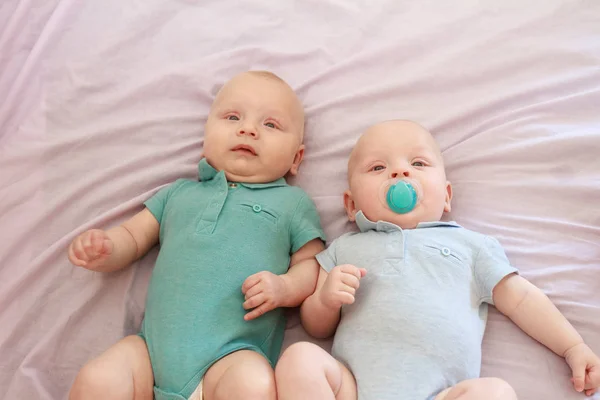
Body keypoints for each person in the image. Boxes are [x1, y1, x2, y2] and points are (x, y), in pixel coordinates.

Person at [275, 120, 600, 400]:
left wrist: (572, 346)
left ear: (446, 196)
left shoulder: (471, 246)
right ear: (350, 205)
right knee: (299, 358)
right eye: (378, 167)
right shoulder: (345, 248)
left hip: (441, 393)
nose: (400, 171)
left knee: (496, 392)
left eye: (418, 164)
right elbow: (315, 327)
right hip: (354, 388)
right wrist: (327, 300)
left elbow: (523, 299)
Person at [68, 71, 325, 400]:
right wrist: (105, 248)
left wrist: (285, 287)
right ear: (206, 135)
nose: (248, 129)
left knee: (252, 384)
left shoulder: (292, 203)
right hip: (150, 354)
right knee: (98, 379)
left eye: (270, 125)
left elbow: (311, 265)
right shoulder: (178, 194)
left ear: (296, 159)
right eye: (232, 117)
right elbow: (132, 237)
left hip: (231, 356)